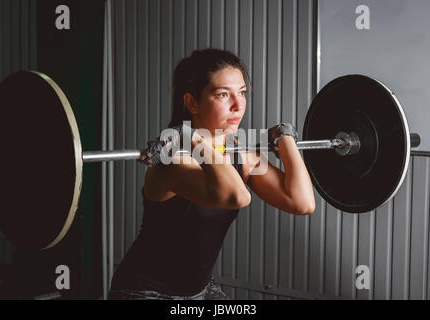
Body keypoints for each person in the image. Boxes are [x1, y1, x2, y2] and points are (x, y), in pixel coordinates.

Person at [108, 49, 315, 300]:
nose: (238, 105)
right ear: (192, 102)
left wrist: (285, 138)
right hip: (145, 292)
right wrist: (190, 137)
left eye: (241, 93)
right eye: (223, 94)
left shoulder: (240, 151)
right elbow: (237, 196)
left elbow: (302, 202)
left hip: (201, 291)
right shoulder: (172, 160)